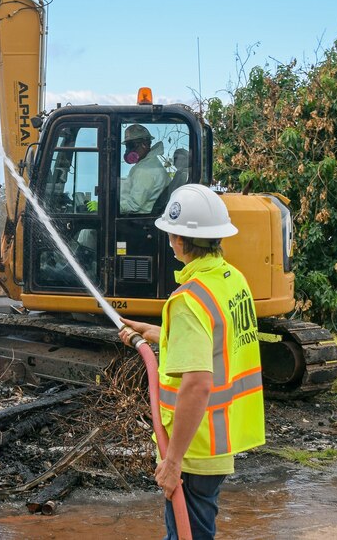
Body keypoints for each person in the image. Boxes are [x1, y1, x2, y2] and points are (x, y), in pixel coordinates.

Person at [119, 184, 265, 540]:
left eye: (171, 234)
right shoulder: (231, 280)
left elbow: (198, 383)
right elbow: (214, 341)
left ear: (180, 240)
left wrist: (173, 462)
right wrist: (155, 333)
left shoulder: (189, 298)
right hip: (217, 440)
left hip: (194, 447)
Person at [119, 124, 170, 213]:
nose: (128, 150)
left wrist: (108, 206)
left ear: (145, 144)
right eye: (127, 146)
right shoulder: (148, 164)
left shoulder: (146, 170)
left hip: (138, 222)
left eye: (131, 145)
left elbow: (133, 205)